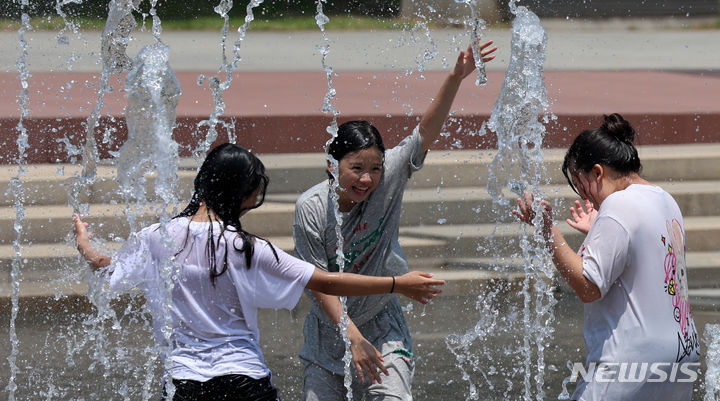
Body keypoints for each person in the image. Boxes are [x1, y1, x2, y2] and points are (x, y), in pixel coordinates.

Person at [73, 143, 445, 401]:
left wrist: (85, 244)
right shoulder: (249, 247)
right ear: (242, 194)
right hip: (244, 379)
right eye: (252, 195)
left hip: (184, 382)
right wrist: (398, 284)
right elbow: (327, 281)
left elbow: (106, 267)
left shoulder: (157, 237)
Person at [292, 40, 497, 401]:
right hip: (329, 336)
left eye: (374, 168)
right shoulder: (310, 208)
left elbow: (426, 131)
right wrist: (353, 337)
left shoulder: (388, 179)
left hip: (383, 328)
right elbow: (319, 284)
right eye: (356, 168)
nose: (367, 180)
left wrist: (454, 78)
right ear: (331, 165)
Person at [513, 114, 700, 400]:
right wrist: (600, 231)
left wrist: (546, 229)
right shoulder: (664, 199)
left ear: (598, 172)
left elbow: (589, 286)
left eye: (581, 182)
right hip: (679, 355)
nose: (585, 196)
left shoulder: (618, 205)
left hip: (630, 362)